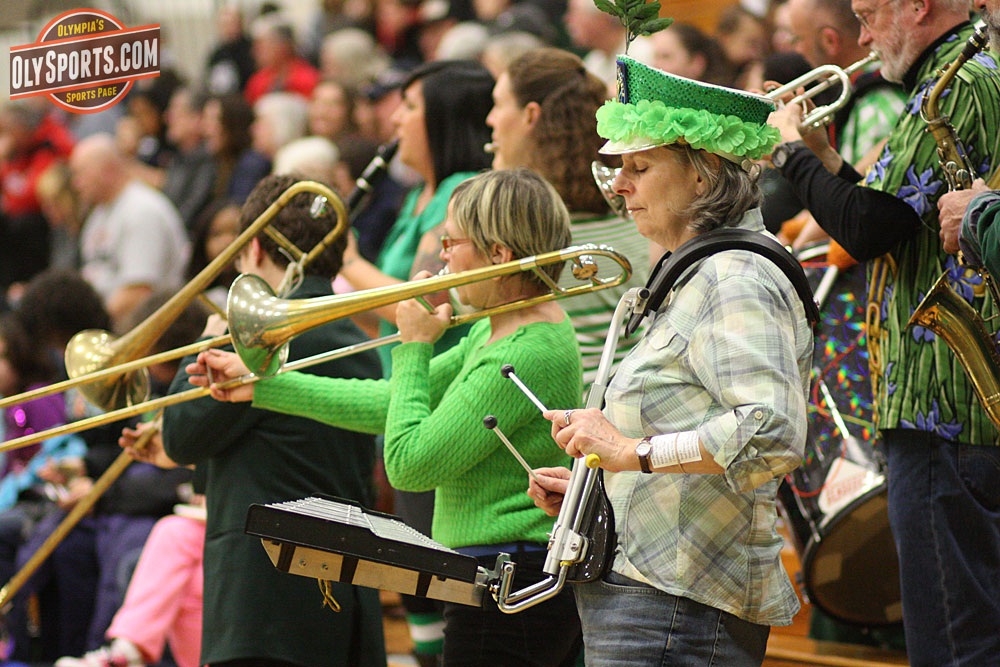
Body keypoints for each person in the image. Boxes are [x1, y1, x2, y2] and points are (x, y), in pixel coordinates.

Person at [190, 168, 584, 666]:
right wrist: (261, 387)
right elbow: (389, 401)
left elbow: (408, 464)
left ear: (499, 255)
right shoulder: (500, 330)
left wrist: (414, 346)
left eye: (450, 242)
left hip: (511, 582)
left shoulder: (524, 349)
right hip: (500, 573)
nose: (442, 256)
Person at [527, 53, 813, 665]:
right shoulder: (700, 272)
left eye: (639, 166)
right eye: (620, 168)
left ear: (703, 175)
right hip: (653, 592)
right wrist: (603, 482)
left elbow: (771, 431)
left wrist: (631, 453)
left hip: (680, 604)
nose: (619, 184)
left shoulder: (734, 277)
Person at [767, 0, 1000, 661]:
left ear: (917, 7)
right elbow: (891, 214)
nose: (862, 36)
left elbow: (867, 227)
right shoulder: (950, 79)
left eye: (869, 15)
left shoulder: (956, 82)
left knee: (953, 641)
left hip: (942, 402)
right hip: (944, 401)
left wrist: (789, 153)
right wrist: (822, 158)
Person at [161, 174, 387, 667]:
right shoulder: (357, 342)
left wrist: (209, 339)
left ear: (255, 248)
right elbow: (284, 444)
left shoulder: (260, 341)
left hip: (260, 608)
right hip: (340, 603)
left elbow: (179, 435)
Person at [485, 47, 651, 389]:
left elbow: (464, 302)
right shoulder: (629, 205)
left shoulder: (524, 221)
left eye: (498, 105)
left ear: (530, 116)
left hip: (568, 401)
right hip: (629, 389)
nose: (490, 119)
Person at [70, 134, 190, 328]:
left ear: (108, 170)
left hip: (146, 329)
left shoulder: (142, 211)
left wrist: (86, 328)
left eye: (81, 173)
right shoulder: (99, 214)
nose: (76, 184)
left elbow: (137, 293)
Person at [783, 0, 905, 167]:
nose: (797, 50)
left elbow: (866, 185)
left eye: (797, 39)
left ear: (830, 40)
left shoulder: (876, 106)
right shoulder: (861, 94)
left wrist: (789, 153)